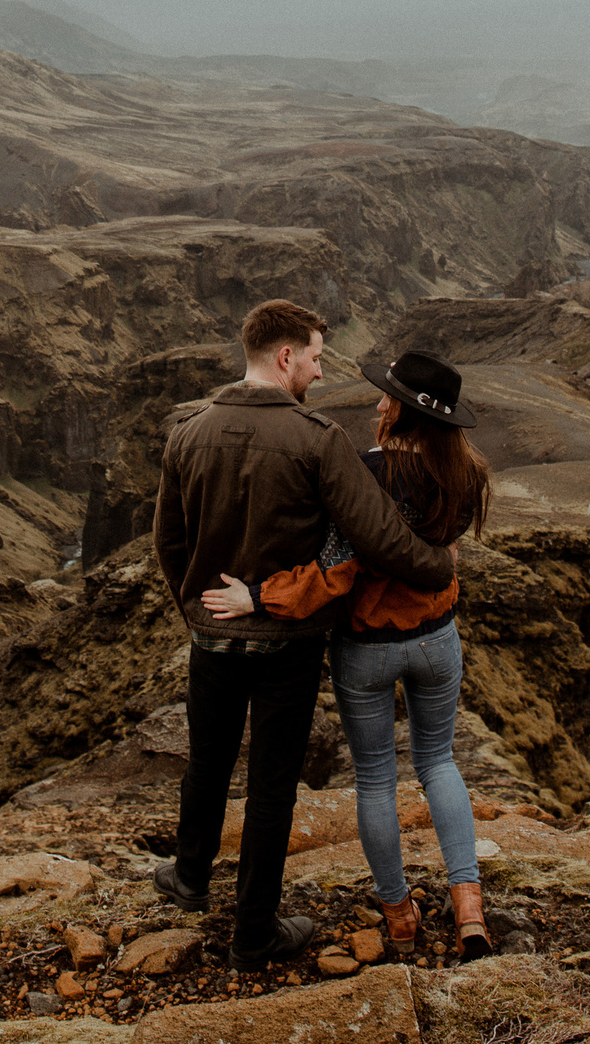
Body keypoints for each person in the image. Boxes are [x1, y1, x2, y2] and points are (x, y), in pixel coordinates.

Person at [152, 299, 457, 972]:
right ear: (285, 355)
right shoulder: (318, 440)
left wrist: (197, 608)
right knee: (270, 785)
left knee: (206, 761)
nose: (321, 373)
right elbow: (378, 535)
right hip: (287, 643)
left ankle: (190, 878)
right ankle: (253, 932)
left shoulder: (187, 432)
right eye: (317, 357)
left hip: (213, 632)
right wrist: (438, 566)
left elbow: (168, 542)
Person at [200, 349, 495, 962]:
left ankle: (399, 915)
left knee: (377, 783)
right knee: (439, 763)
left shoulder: (368, 473)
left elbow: (333, 572)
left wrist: (255, 595)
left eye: (388, 397)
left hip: (367, 650)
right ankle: (468, 905)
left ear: (405, 413)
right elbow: (443, 552)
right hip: (437, 638)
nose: (378, 404)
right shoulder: (469, 474)